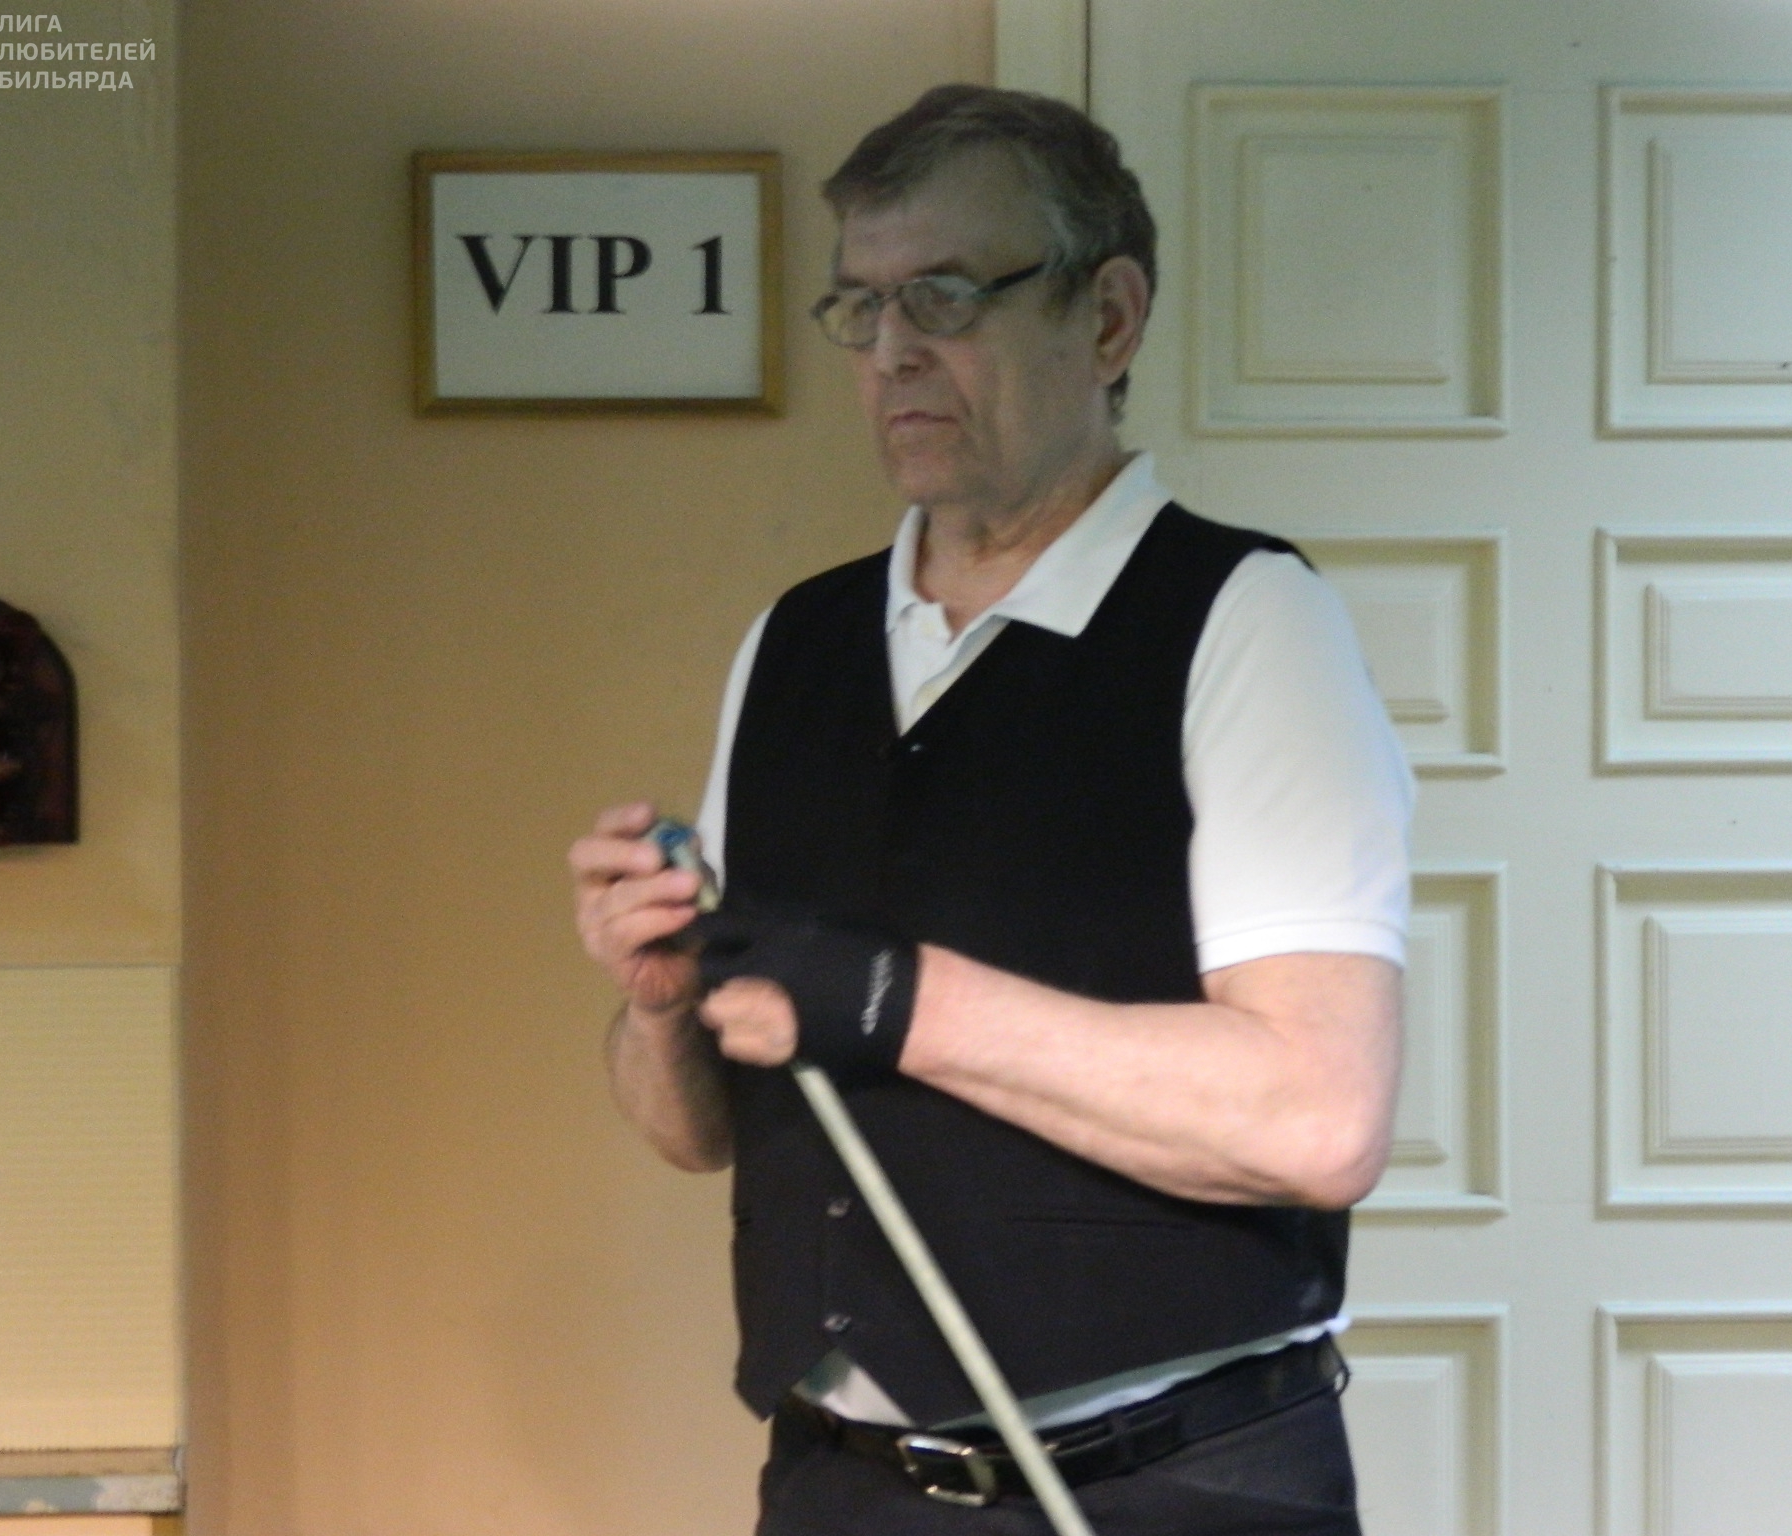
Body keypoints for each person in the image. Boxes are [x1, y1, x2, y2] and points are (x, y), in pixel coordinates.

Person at [570, 84, 1411, 1536]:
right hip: (837, 1488)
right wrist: (657, 1008)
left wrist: (894, 999)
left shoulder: (1247, 620)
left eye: (948, 297)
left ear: (1110, 317)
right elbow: (697, 1132)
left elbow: (1319, 1118)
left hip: (1167, 1492)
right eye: (862, 307)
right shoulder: (796, 641)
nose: (895, 351)